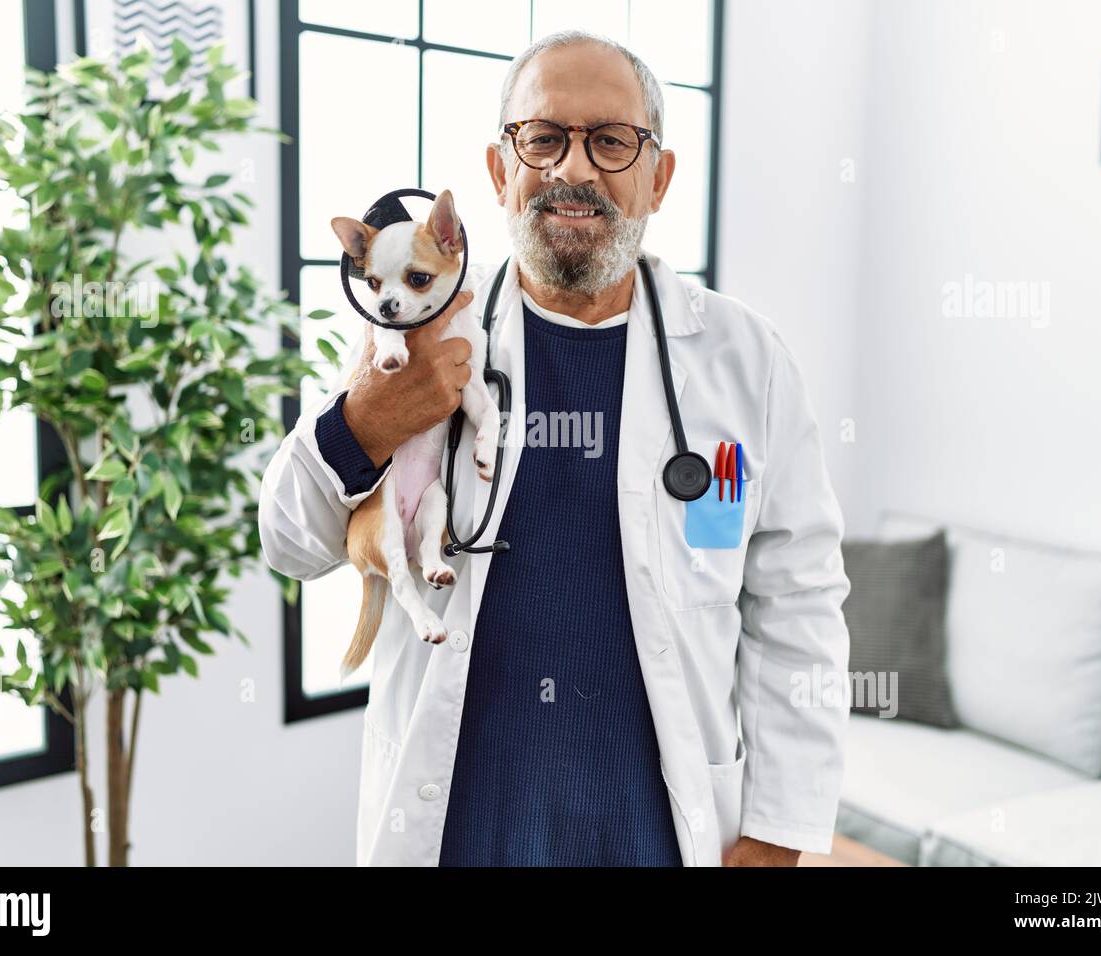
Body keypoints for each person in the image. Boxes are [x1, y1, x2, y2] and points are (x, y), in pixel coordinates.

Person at [259, 30, 851, 867]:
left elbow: (799, 605)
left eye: (612, 141)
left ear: (660, 178)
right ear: (501, 172)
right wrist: (368, 423)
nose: (574, 169)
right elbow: (288, 544)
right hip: (462, 831)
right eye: (543, 139)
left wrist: (779, 830)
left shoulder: (743, 362)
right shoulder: (414, 336)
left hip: (662, 833)